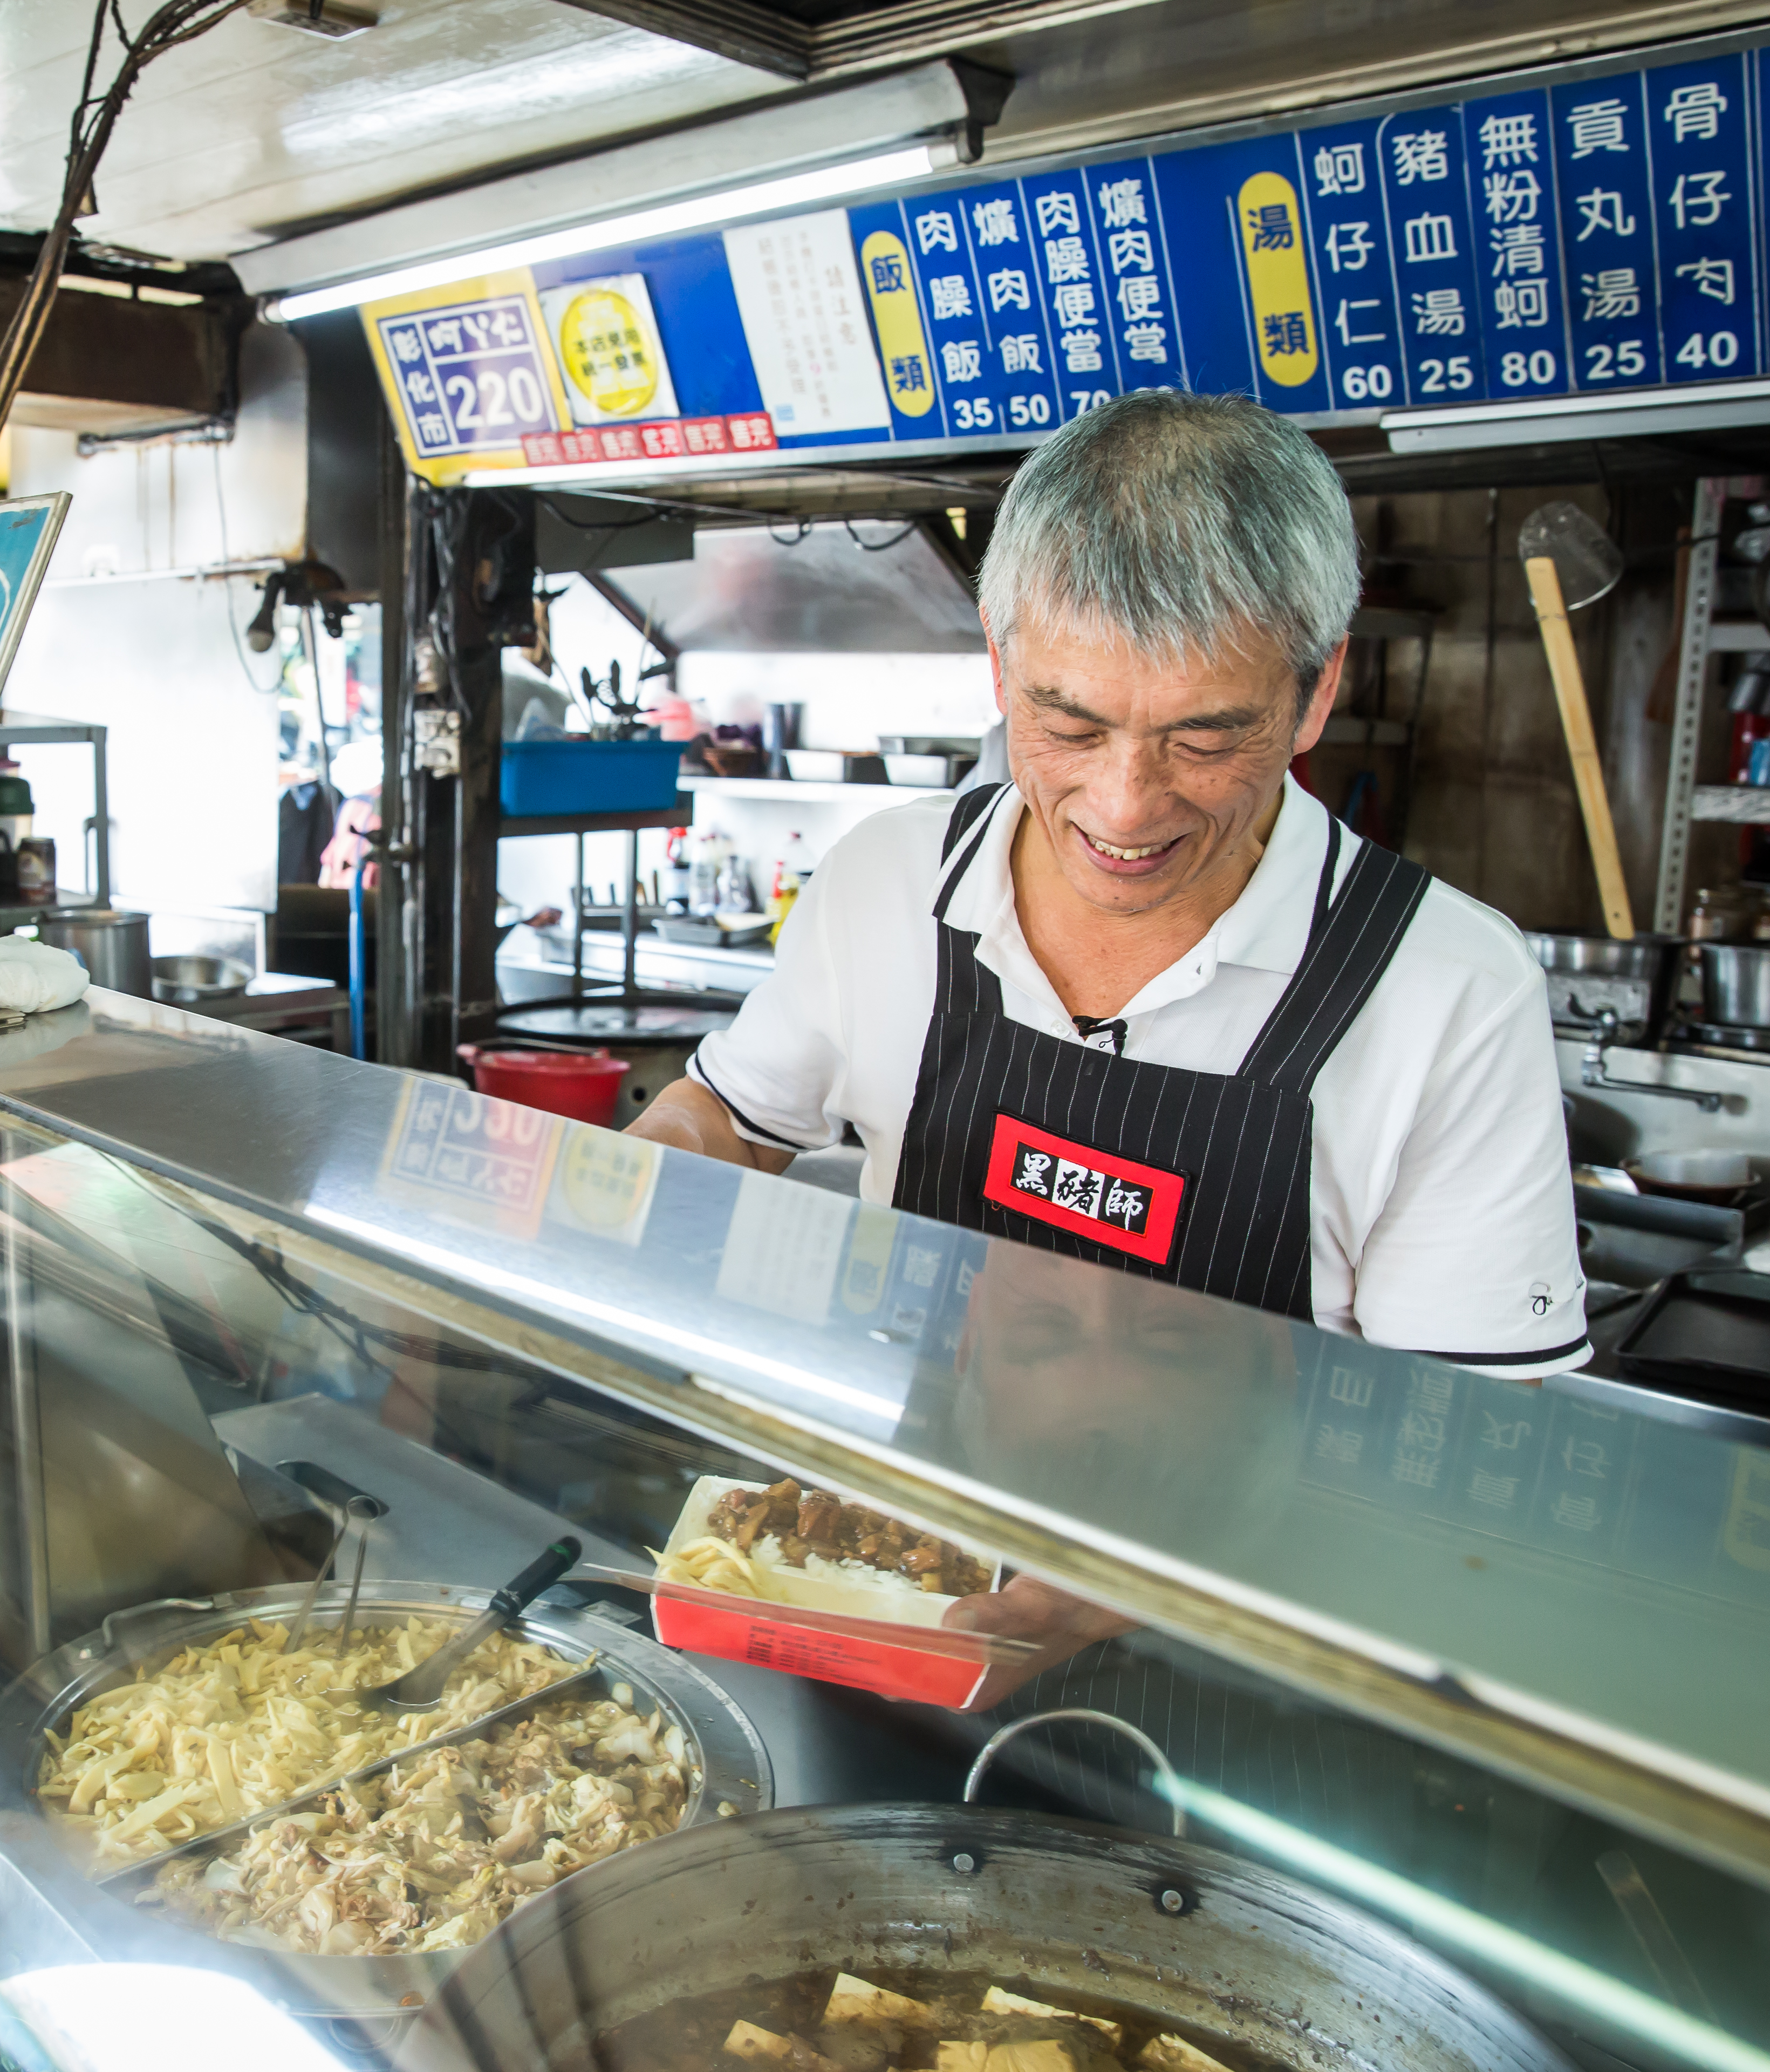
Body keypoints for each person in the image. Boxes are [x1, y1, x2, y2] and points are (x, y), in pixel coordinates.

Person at [628, 392, 1584, 1687]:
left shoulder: (1446, 990)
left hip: (1247, 1679)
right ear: (999, 666)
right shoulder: (891, 881)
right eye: (1070, 726)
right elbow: (726, 1120)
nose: (1125, 807)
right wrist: (634, 1187)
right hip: (898, 1603)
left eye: (1207, 736)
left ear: (1318, 690)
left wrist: (1147, 1582)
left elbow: (1468, 1451)